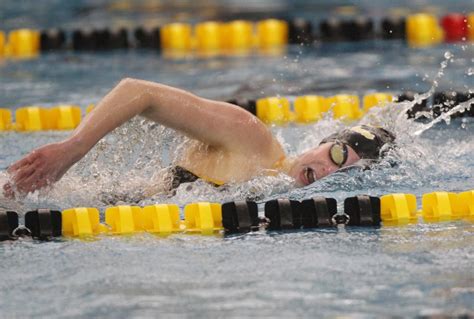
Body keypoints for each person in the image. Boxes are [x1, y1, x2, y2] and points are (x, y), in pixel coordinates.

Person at [4, 78, 394, 196]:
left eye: (342, 173)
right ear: (325, 140)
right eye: (338, 155)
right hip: (61, 196)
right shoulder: (251, 137)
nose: (326, 171)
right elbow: (139, 92)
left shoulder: (276, 193)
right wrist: (72, 149)